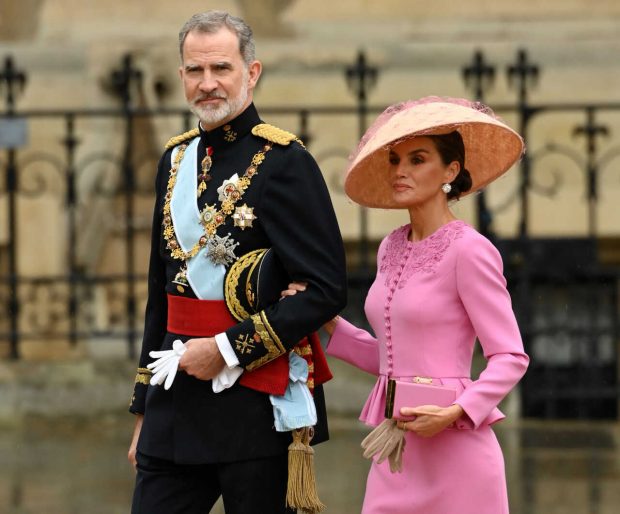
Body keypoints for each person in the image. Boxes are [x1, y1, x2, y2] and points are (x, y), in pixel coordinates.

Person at [127, 10, 347, 514]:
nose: (208, 84)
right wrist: (144, 408)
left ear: (251, 73)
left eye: (221, 68)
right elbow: (160, 294)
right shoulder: (174, 161)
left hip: (255, 404)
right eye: (194, 71)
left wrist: (228, 350)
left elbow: (326, 288)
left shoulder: (286, 163)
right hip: (176, 402)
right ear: (181, 75)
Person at [284, 97, 529, 513]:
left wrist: (455, 411)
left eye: (418, 160)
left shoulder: (470, 250)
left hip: (459, 456)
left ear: (451, 171)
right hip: (395, 452)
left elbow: (510, 356)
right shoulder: (390, 246)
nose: (400, 170)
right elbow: (391, 355)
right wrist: (328, 323)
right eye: (395, 159)